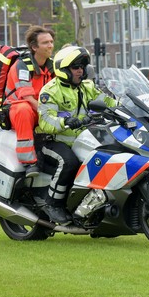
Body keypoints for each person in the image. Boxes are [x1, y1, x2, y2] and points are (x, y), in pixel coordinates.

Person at [35, 46, 116, 225]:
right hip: (52, 141)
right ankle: (52, 204)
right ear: (63, 70)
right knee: (69, 162)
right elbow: (46, 122)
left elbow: (109, 102)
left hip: (83, 139)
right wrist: (66, 122)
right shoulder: (51, 91)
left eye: (83, 66)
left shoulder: (87, 87)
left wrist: (124, 106)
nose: (81, 70)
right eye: (76, 67)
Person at [6, 25, 56, 178]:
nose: (50, 46)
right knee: (23, 109)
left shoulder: (53, 66)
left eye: (51, 42)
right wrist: (48, 112)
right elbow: (27, 98)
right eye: (45, 43)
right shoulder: (22, 66)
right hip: (18, 110)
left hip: (41, 109)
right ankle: (29, 163)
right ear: (34, 47)